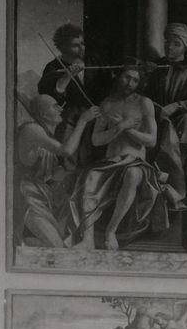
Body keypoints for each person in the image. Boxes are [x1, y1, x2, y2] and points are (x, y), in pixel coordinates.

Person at [70, 65, 166, 250]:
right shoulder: (106, 104)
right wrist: (119, 127)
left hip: (135, 161)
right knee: (89, 176)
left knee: (132, 175)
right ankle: (87, 239)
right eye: (126, 77)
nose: (130, 83)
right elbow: (96, 140)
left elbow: (152, 140)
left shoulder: (144, 103)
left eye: (135, 80)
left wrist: (127, 128)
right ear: (117, 76)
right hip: (110, 162)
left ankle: (110, 231)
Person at [13, 93, 93, 247]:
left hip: (44, 196)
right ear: (43, 114)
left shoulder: (47, 135)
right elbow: (66, 150)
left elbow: (44, 171)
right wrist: (83, 120)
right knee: (56, 246)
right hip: (28, 197)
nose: (60, 109)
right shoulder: (32, 130)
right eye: (54, 106)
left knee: (60, 244)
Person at [148, 21, 187, 155]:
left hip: (177, 121)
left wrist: (176, 106)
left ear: (185, 47)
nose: (169, 47)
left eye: (176, 44)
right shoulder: (157, 68)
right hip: (156, 119)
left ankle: (179, 164)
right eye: (167, 41)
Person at [35, 23, 92, 130]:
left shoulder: (93, 62)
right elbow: (49, 99)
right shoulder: (53, 67)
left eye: (82, 43)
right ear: (63, 47)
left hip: (95, 120)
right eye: (75, 45)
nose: (82, 48)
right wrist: (67, 76)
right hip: (70, 123)